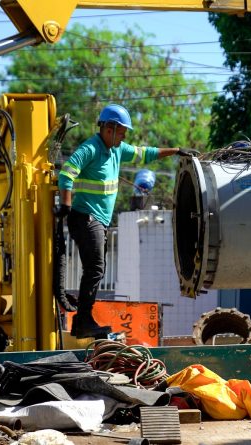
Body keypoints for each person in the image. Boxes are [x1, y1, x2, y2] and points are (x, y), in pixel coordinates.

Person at [57, 104, 198, 338]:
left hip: (97, 220)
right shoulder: (90, 149)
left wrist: (176, 151)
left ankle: (84, 319)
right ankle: (82, 321)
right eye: (122, 131)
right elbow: (66, 173)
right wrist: (66, 204)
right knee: (95, 269)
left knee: (96, 271)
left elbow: (146, 153)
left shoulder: (117, 150)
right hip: (85, 217)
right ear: (109, 128)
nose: (124, 136)